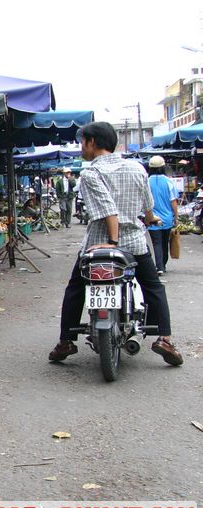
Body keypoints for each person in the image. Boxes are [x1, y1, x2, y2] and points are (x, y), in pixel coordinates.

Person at [49, 122, 182, 367]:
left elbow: (109, 210)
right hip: (134, 243)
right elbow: (147, 204)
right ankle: (164, 337)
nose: (81, 147)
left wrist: (111, 242)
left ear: (92, 142)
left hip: (99, 245)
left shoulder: (90, 173)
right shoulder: (136, 168)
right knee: (153, 287)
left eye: (82, 142)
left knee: (75, 289)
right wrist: (151, 218)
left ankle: (66, 341)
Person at [146, 155, 178, 275]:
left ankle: (159, 266)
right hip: (167, 218)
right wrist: (176, 217)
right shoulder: (169, 182)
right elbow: (173, 202)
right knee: (164, 242)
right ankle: (162, 265)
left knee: (156, 243)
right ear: (163, 167)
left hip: (152, 218)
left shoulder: (147, 182)